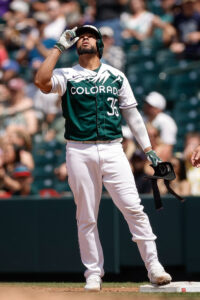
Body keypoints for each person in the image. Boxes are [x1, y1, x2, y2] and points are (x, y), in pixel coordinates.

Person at [34, 24, 172, 291]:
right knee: (86, 215)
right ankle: (93, 273)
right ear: (75, 46)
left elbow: (133, 116)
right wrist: (58, 47)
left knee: (133, 207)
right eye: (81, 36)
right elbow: (41, 82)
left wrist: (149, 150)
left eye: (91, 36)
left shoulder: (116, 76)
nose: (85, 38)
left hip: (113, 149)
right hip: (79, 149)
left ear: (100, 44)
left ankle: (154, 266)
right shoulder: (66, 74)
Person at [143, 91, 177, 161]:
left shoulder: (167, 121)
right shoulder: (142, 118)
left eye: (151, 106)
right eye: (147, 104)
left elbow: (167, 149)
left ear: (159, 109)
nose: (147, 107)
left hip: (157, 159)